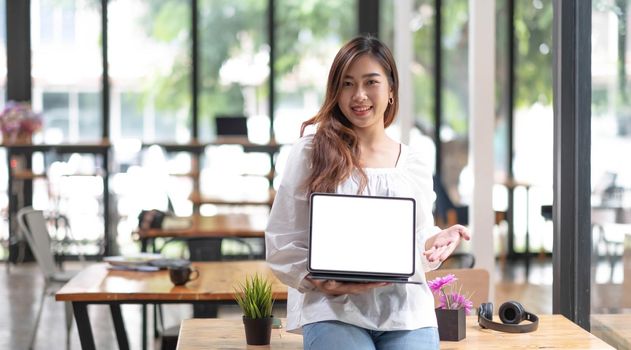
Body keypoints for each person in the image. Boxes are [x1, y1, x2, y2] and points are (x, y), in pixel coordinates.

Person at [265, 35, 471, 350]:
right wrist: (322, 281)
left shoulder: (412, 163)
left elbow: (415, 238)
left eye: (370, 82)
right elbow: (282, 240)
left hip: (406, 312)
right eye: (347, 84)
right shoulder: (310, 152)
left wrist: (436, 241)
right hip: (332, 309)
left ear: (391, 90)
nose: (359, 95)